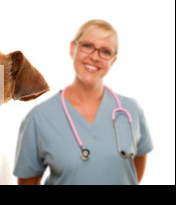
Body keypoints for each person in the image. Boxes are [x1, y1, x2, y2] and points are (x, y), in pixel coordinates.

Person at [13, 20, 153, 185]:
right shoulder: (39, 118)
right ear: (73, 48)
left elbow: (134, 171)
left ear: (113, 60)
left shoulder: (131, 110)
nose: (95, 56)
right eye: (87, 46)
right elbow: (27, 182)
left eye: (106, 51)